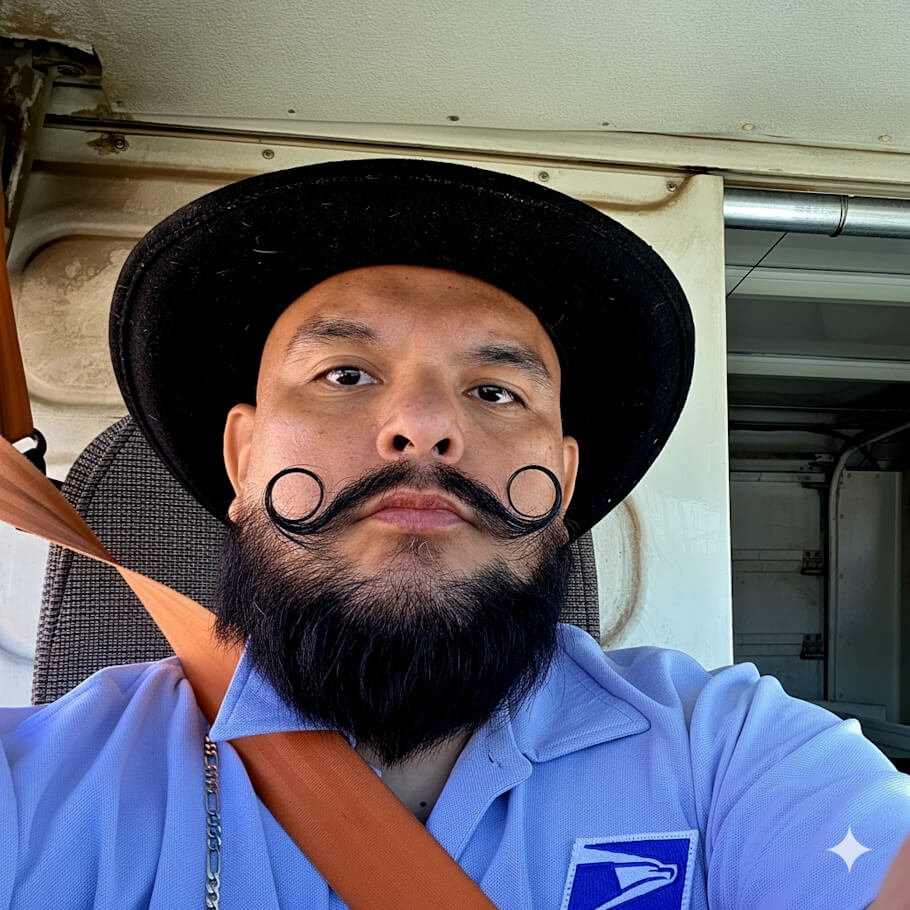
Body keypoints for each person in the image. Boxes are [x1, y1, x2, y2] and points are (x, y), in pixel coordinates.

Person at [2, 157, 909, 909]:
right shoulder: (41, 789)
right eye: (346, 374)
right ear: (242, 462)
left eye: (494, 391)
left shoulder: (726, 755)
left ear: (559, 482)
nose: (425, 427)